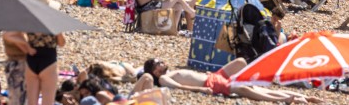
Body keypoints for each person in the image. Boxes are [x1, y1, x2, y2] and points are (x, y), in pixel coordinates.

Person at [135, 57, 322, 103]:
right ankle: (288, 97)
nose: (162, 63)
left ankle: (291, 94)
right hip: (211, 84)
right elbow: (181, 86)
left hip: (214, 76)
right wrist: (201, 91)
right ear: (154, 72)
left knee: (240, 62)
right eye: (158, 64)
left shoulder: (169, 72)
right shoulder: (164, 79)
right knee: (244, 90)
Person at [4, 0, 66, 105]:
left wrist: (27, 46)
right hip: (48, 61)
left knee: (32, 102)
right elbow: (62, 43)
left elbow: (8, 35)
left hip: (31, 60)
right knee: (47, 102)